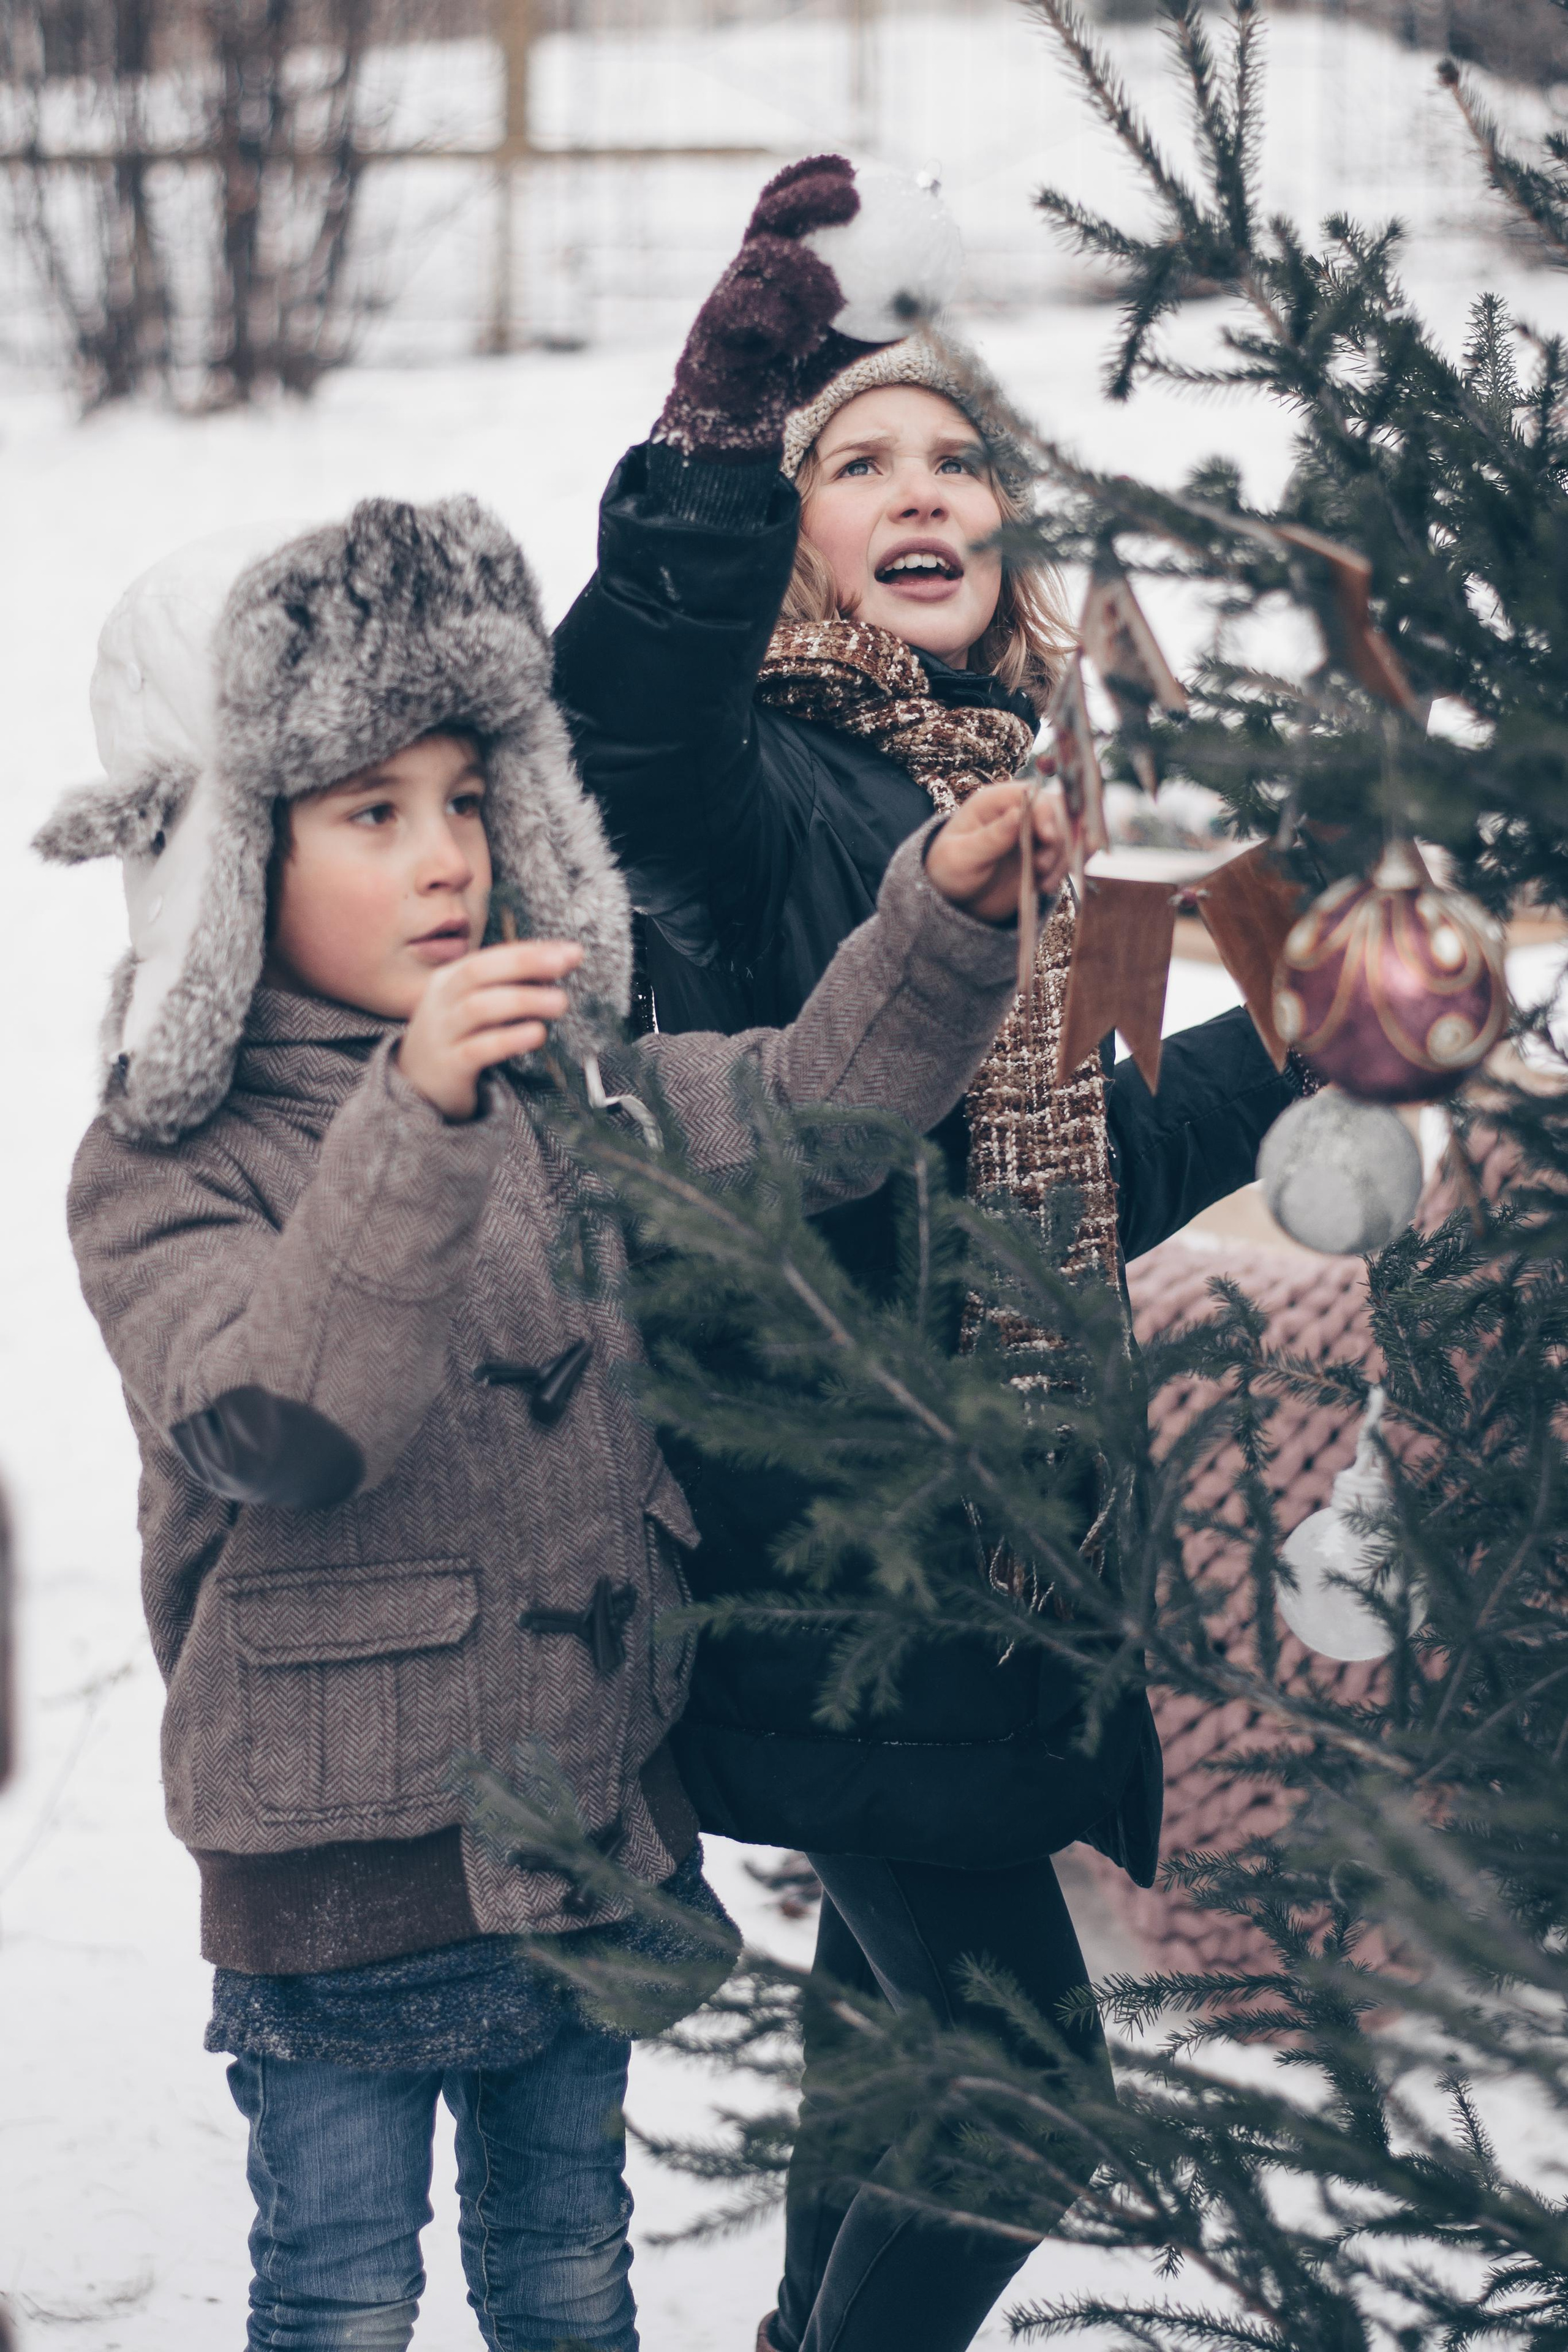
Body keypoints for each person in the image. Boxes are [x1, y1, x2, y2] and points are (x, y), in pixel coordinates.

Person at [41, 496, 1068, 2352]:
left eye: (462, 796)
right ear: (223, 867)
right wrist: (415, 1127)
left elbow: (802, 1115)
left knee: (572, 2280)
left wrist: (941, 915)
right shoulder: (160, 1168)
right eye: (371, 813)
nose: (445, 855)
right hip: (337, 1881)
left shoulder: (554, 1080)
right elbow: (283, 1424)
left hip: (582, 1835)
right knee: (341, 2295)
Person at [552, 155, 1314, 2352]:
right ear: (793, 526)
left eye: (959, 455)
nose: (919, 490)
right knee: (1019, 2107)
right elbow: (625, 722)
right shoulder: (747, 783)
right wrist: (704, 452)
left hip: (991, 1548)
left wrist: (1300, 1032)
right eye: (852, 455)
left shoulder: (1016, 790)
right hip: (838, 1543)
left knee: (879, 2072)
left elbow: (1084, 1168)